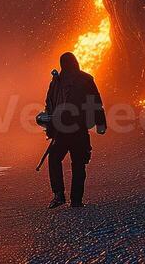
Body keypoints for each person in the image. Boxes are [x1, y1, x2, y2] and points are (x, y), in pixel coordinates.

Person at [43, 51, 106, 208]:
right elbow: (95, 102)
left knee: (56, 159)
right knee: (77, 164)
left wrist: (50, 125)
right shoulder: (83, 79)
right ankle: (74, 199)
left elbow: (49, 105)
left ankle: (59, 194)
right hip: (76, 130)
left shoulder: (57, 81)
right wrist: (100, 123)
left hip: (65, 130)